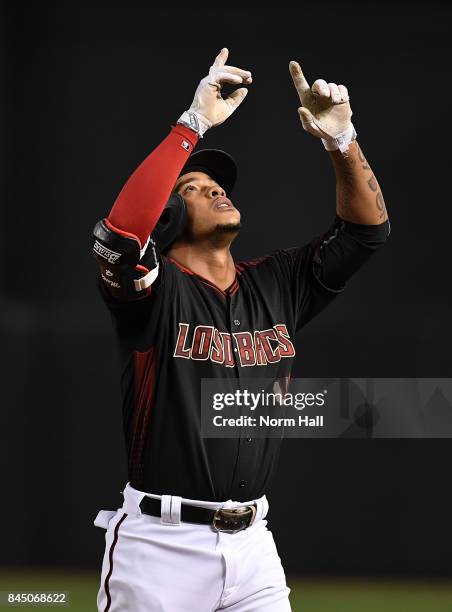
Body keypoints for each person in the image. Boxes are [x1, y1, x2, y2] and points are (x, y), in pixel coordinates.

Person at [92, 48, 390, 612]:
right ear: (170, 220)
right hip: (160, 546)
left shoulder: (276, 284)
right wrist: (193, 123)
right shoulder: (154, 296)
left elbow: (365, 232)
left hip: (254, 545)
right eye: (193, 188)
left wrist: (341, 138)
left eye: (217, 183)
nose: (214, 189)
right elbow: (120, 236)